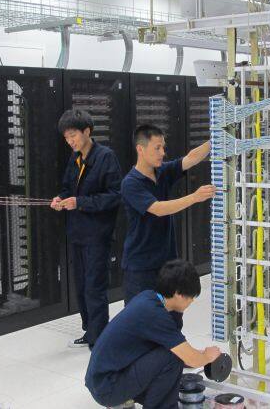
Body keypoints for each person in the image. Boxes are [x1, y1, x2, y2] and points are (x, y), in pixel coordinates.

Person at [85, 259, 222, 409]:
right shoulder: (155, 315)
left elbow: (182, 351)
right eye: (191, 297)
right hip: (108, 388)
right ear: (178, 294)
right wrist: (208, 356)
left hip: (102, 380)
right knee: (172, 357)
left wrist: (196, 354)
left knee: (173, 353)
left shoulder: (148, 297)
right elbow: (192, 359)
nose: (192, 302)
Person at [51, 109, 122, 349]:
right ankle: (89, 330)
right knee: (81, 286)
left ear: (87, 131)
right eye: (66, 137)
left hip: (97, 234)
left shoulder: (105, 157)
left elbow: (115, 196)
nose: (70, 141)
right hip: (77, 233)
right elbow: (67, 188)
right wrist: (60, 199)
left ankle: (99, 338)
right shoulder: (75, 158)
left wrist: (80, 202)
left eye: (73, 135)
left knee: (94, 286)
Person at [120, 125, 214, 303]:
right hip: (141, 267)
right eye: (157, 148)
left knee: (171, 313)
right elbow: (158, 209)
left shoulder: (162, 171)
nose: (162, 153)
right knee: (141, 315)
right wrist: (195, 197)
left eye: (163, 147)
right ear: (140, 149)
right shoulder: (131, 183)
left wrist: (214, 140)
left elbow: (191, 158)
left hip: (167, 263)